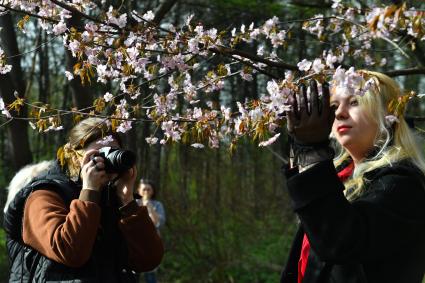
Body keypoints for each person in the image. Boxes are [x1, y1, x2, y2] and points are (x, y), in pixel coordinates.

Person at [281, 71, 425, 283]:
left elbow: (341, 241)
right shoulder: (338, 177)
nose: (339, 113)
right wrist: (301, 145)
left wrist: (311, 150)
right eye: (335, 105)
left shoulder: (402, 185)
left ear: (388, 114)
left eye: (354, 102)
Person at [3, 117, 164, 282]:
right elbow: (71, 252)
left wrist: (127, 200)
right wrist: (89, 191)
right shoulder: (43, 195)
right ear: (75, 157)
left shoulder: (113, 199)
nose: (107, 160)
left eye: (113, 152)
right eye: (99, 154)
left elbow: (149, 260)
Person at [135, 179, 166, 283]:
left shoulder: (157, 205)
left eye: (149, 189)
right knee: (134, 274)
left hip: (151, 244)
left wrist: (149, 207)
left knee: (150, 275)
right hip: (135, 244)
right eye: (144, 189)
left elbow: (158, 223)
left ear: (152, 191)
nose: (146, 192)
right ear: (139, 190)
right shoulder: (134, 203)